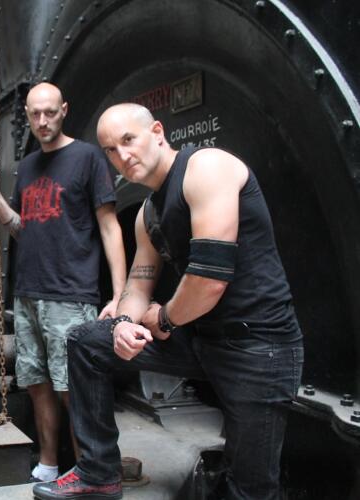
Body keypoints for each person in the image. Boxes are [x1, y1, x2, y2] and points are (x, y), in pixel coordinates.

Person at [33, 103, 304, 500]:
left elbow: (209, 280)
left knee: (250, 490)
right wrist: (122, 325)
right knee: (88, 342)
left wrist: (165, 319)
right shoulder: (148, 213)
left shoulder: (206, 168)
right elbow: (139, 285)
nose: (123, 155)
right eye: (111, 150)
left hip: (258, 347)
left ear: (157, 132)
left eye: (129, 139)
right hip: (201, 340)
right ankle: (98, 473)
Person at [0, 83, 127, 483]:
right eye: (35, 114)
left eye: (49, 112)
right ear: (27, 115)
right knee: (38, 384)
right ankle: (48, 465)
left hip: (71, 294)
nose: (42, 121)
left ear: (64, 110)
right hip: (28, 292)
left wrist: (120, 295)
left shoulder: (88, 157)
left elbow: (110, 227)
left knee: (74, 389)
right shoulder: (27, 166)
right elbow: (22, 228)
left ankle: (90, 472)